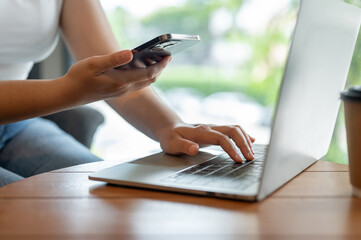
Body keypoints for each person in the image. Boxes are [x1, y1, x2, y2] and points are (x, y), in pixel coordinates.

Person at [0, 0, 255, 187]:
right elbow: (80, 86)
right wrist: (68, 91)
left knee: (100, 195)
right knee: (32, 216)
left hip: (13, 128)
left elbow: (109, 69)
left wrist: (169, 126)